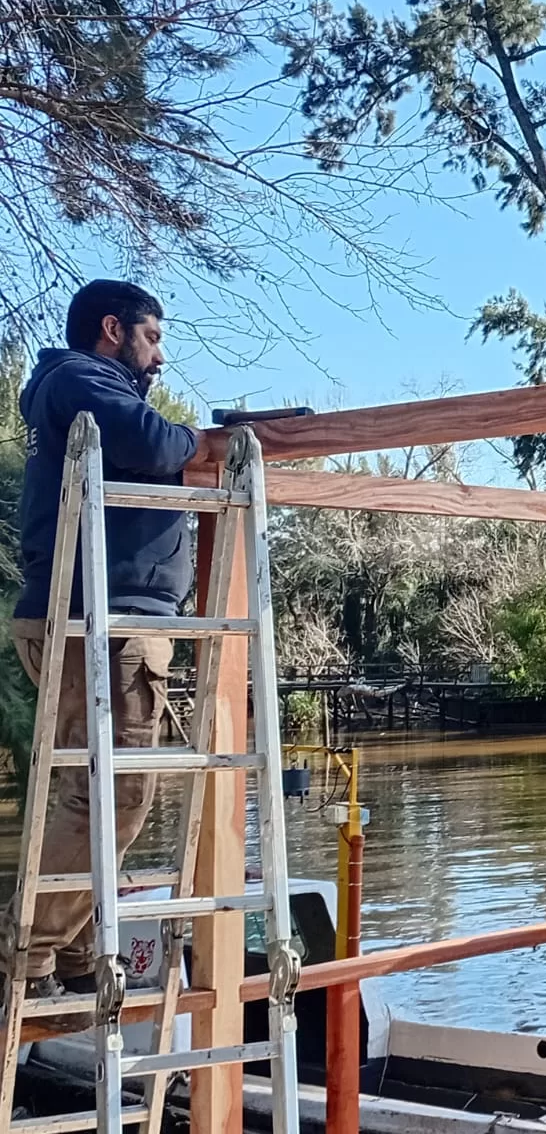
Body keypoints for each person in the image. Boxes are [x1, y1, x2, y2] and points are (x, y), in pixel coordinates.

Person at [3, 280, 225, 1021]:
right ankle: (29, 951)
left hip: (94, 615)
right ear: (112, 329)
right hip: (99, 620)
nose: (159, 356)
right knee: (117, 792)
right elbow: (153, 441)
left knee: (101, 790)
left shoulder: (76, 387)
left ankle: (64, 951)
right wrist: (205, 444)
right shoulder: (80, 379)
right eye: (152, 337)